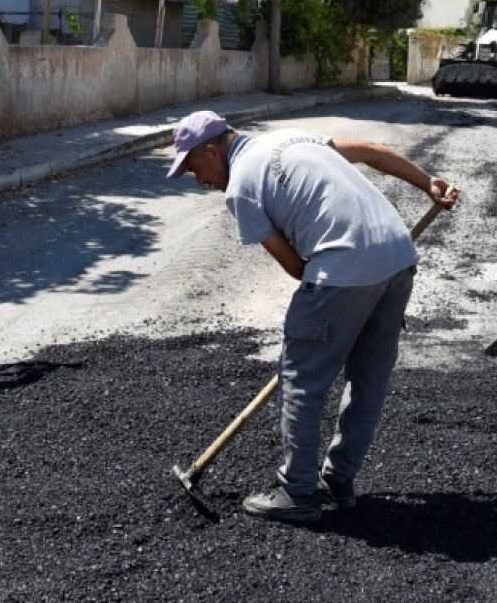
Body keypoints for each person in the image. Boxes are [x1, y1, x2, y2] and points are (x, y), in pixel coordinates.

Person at [167, 111, 456, 523]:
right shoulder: (295, 137)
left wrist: (328, 318)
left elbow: (295, 266)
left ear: (213, 151)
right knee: (369, 378)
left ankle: (298, 492)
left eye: (195, 168)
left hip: (343, 266)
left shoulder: (241, 189)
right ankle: (338, 480)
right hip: (397, 256)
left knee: (302, 378)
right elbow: (374, 152)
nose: (199, 181)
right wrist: (428, 182)